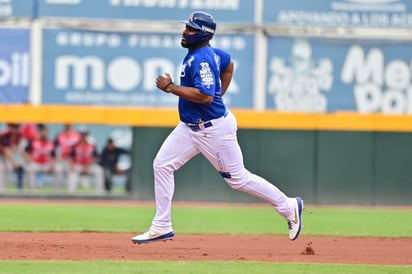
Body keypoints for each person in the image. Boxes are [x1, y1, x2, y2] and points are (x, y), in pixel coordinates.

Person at [131, 11, 303, 244]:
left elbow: (205, 96)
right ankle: (161, 225)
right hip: (190, 127)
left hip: (213, 130)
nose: (185, 31)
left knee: (238, 179)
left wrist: (171, 87)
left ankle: (288, 206)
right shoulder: (206, 53)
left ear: (202, 34)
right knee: (162, 164)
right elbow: (228, 63)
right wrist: (219, 91)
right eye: (186, 27)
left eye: (191, 29)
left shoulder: (201, 57)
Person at [67, 127, 104, 194]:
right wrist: (72, 166)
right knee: (72, 173)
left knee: (99, 170)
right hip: (78, 165)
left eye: (85, 134)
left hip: (89, 165)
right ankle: (71, 193)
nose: (83, 136)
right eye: (82, 134)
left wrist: (89, 165)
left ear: (87, 135)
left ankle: (99, 192)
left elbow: (95, 157)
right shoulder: (74, 146)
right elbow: (70, 157)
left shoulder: (92, 145)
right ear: (79, 135)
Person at [24, 125, 57, 192]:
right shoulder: (33, 142)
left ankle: (57, 191)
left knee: (58, 169)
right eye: (43, 132)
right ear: (40, 133)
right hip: (36, 163)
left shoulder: (50, 143)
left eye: (46, 132)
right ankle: (32, 191)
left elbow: (53, 156)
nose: (45, 134)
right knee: (30, 168)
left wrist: (52, 165)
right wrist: (29, 160)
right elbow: (25, 152)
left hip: (46, 164)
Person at [54, 124, 81, 190]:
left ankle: (71, 194)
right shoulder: (60, 135)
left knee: (73, 173)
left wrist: (74, 161)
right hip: (62, 159)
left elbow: (80, 148)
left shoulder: (77, 135)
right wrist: (56, 157)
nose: (68, 126)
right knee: (58, 169)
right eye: (66, 124)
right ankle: (57, 193)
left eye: (69, 124)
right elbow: (54, 148)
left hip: (73, 160)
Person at [0, 123, 24, 191]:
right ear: (10, 128)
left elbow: (16, 148)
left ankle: (2, 187)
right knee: (2, 168)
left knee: (8, 168)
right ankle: (1, 188)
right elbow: (6, 151)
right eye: (14, 127)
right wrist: (13, 163)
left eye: (17, 128)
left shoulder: (19, 135)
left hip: (7, 154)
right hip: (2, 153)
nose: (16, 129)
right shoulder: (4, 135)